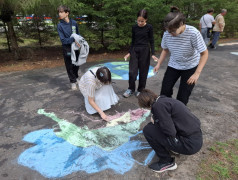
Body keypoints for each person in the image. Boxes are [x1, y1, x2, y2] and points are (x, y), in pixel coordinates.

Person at [138, 89, 203, 173]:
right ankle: (174, 147)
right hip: (196, 138)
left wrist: (157, 122)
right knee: (153, 126)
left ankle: (167, 162)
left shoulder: (158, 106)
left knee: (148, 130)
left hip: (189, 145)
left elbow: (170, 132)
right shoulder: (165, 100)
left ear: (146, 104)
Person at [154, 6, 208, 105]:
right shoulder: (167, 33)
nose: (170, 34)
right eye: (168, 31)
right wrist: (158, 64)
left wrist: (197, 73)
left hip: (190, 66)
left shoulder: (193, 33)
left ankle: (179, 114)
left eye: (173, 31)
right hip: (174, 64)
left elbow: (204, 53)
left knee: (182, 97)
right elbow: (165, 50)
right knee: (164, 92)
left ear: (181, 24)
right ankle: (165, 110)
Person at [123, 9, 158, 98]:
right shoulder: (134, 27)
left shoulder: (149, 27)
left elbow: (152, 41)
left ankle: (140, 90)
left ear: (146, 19)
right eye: (138, 20)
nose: (140, 23)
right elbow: (133, 41)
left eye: (142, 21)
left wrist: (153, 53)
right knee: (132, 72)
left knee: (143, 72)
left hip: (145, 51)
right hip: (135, 50)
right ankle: (131, 89)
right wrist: (129, 52)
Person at [57, 5, 81, 90]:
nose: (59, 14)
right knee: (69, 65)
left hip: (76, 47)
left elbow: (78, 34)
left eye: (61, 12)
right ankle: (73, 82)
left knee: (77, 64)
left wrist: (79, 41)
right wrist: (73, 40)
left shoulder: (74, 23)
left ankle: (76, 77)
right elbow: (63, 40)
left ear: (67, 13)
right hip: (67, 48)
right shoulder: (60, 25)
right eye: (59, 12)